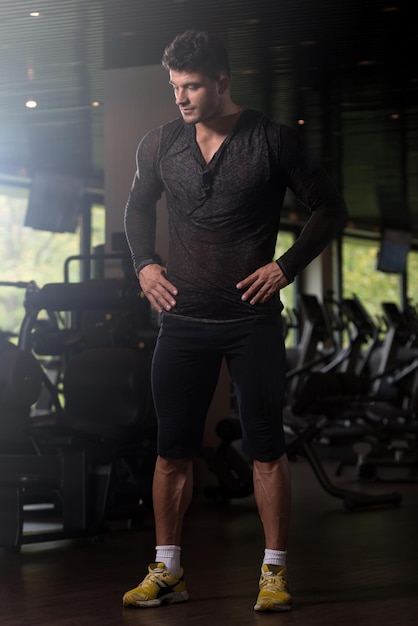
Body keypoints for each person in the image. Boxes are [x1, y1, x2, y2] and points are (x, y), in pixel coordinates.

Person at [122, 29, 348, 612]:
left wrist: (288, 266)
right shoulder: (160, 143)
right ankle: (167, 569)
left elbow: (330, 207)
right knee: (172, 450)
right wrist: (145, 265)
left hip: (252, 321)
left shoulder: (272, 139)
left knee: (266, 447)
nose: (181, 98)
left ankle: (273, 573)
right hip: (184, 319)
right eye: (174, 87)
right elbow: (137, 206)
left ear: (222, 82)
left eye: (192, 86)